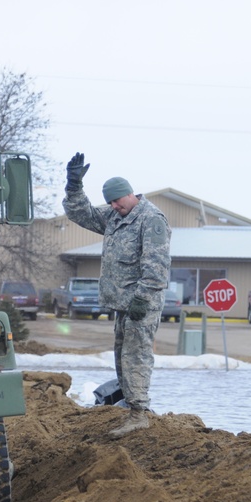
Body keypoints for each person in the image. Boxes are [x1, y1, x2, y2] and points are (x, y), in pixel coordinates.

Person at [62, 152, 171, 437]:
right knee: (122, 356)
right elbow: (81, 214)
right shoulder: (114, 216)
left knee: (136, 356)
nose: (114, 206)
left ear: (129, 194)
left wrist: (143, 298)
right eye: (110, 203)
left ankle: (138, 413)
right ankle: (133, 407)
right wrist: (74, 185)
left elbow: (157, 265)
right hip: (123, 303)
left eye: (117, 201)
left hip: (141, 303)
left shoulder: (151, 219)